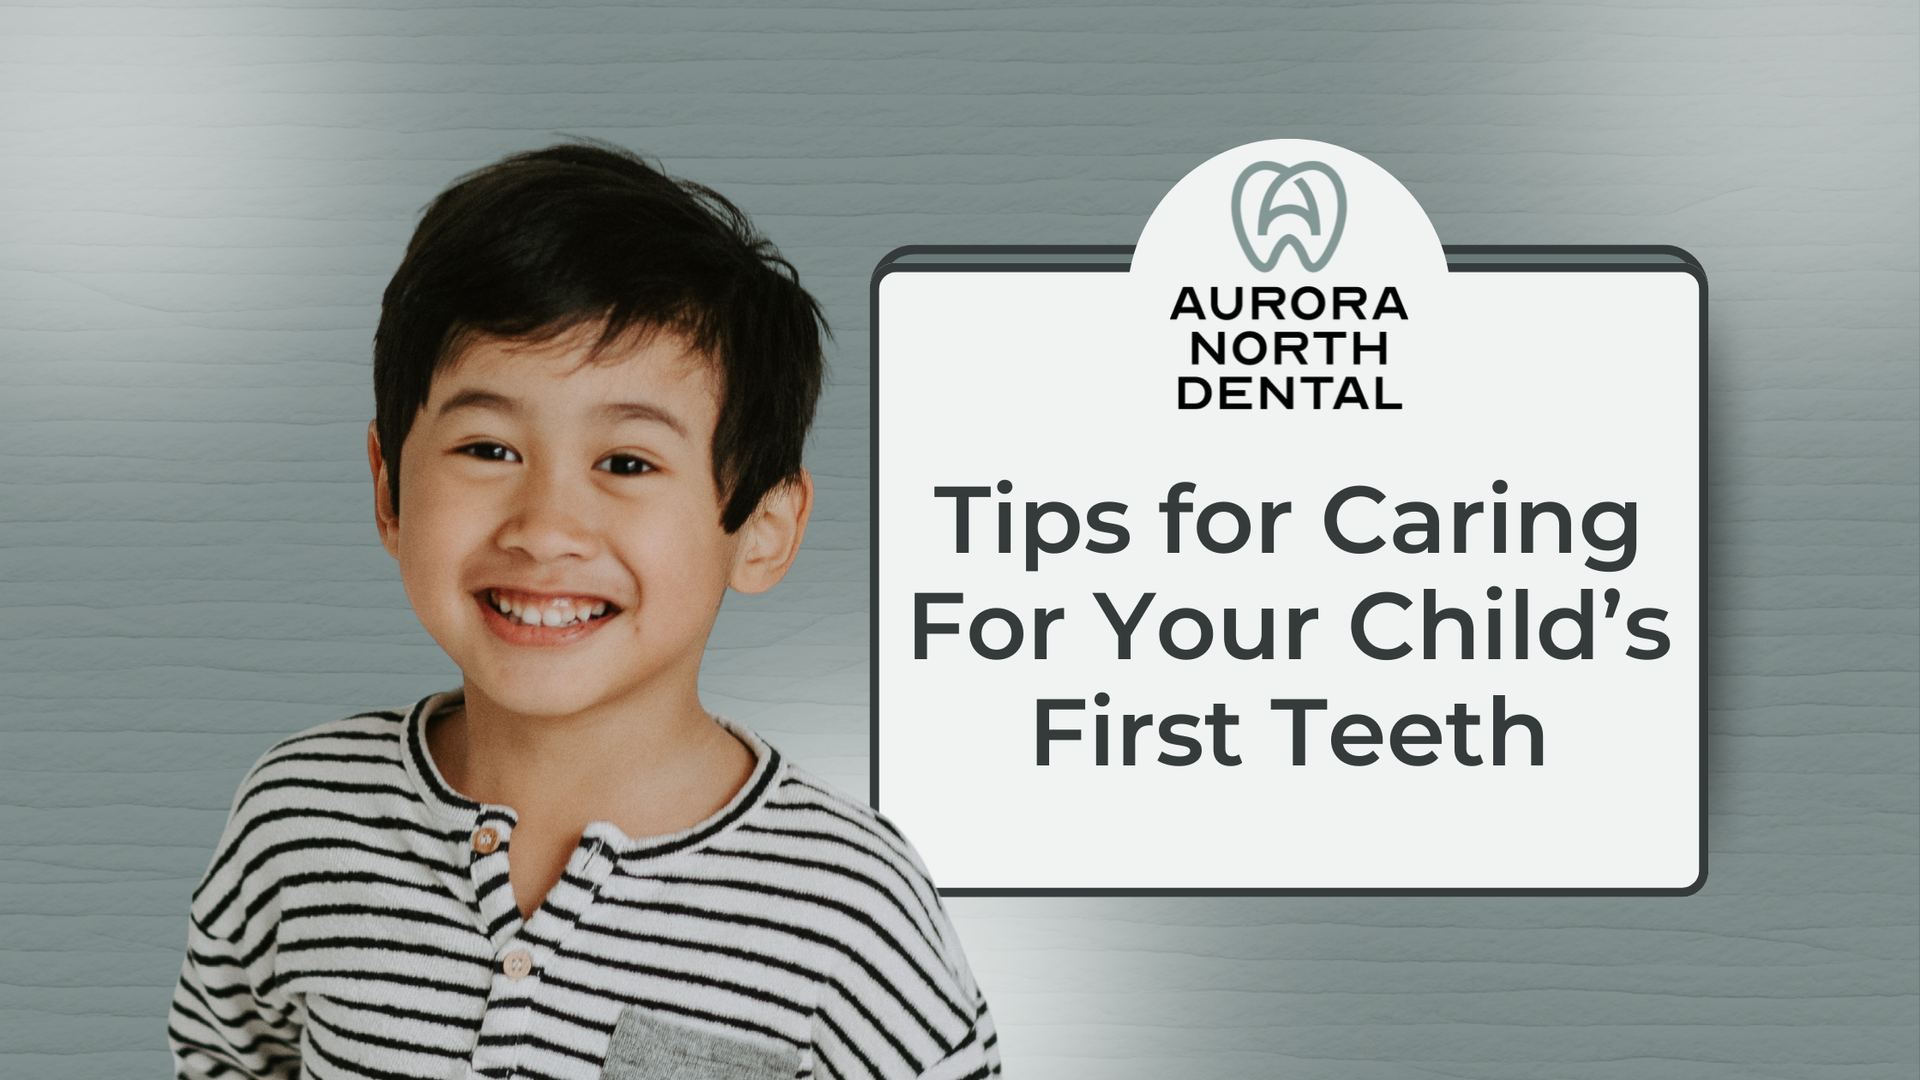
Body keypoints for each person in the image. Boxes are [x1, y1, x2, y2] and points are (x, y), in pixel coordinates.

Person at [167, 143, 999, 1080]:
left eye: (628, 463)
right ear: (388, 489)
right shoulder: (299, 817)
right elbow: (224, 1056)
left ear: (760, 529)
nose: (547, 527)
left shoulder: (847, 903)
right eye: (487, 448)